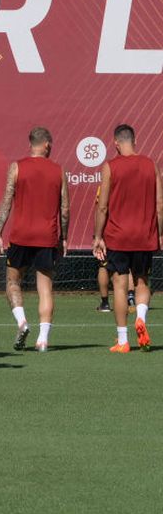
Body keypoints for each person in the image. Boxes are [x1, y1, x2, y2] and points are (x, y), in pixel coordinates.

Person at [0, 127, 69, 352]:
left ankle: (22, 321)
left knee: (12, 282)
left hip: (21, 236)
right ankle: (43, 340)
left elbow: (6, 201)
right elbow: (64, 209)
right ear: (46, 145)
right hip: (47, 237)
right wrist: (63, 237)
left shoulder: (17, 167)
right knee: (45, 288)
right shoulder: (58, 170)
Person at [92, 124, 162, 353]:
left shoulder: (110, 167)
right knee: (142, 281)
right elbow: (160, 205)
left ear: (115, 142)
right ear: (135, 140)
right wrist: (159, 233)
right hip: (144, 235)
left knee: (120, 285)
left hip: (118, 236)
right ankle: (140, 318)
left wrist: (98, 236)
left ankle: (123, 341)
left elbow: (102, 207)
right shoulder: (151, 165)